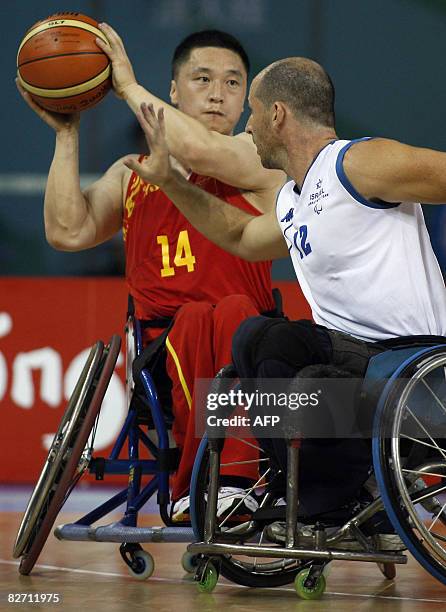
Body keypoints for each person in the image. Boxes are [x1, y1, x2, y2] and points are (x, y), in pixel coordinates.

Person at [121, 56, 446, 547]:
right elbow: (243, 236)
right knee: (257, 336)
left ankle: (336, 497)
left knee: (299, 370)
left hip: (413, 370)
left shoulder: (356, 163)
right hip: (357, 367)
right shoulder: (296, 199)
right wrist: (171, 182)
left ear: (276, 115)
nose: (246, 127)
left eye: (251, 112)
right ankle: (314, 497)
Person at [16, 28, 286, 520]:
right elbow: (67, 230)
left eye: (231, 83)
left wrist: (125, 87)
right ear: (175, 92)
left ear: (246, 98)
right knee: (199, 318)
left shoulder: (259, 162)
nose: (216, 93)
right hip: (162, 351)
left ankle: (232, 479)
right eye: (201, 79)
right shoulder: (132, 173)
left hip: (247, 348)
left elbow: (203, 153)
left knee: (228, 312)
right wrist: (66, 134)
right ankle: (213, 481)